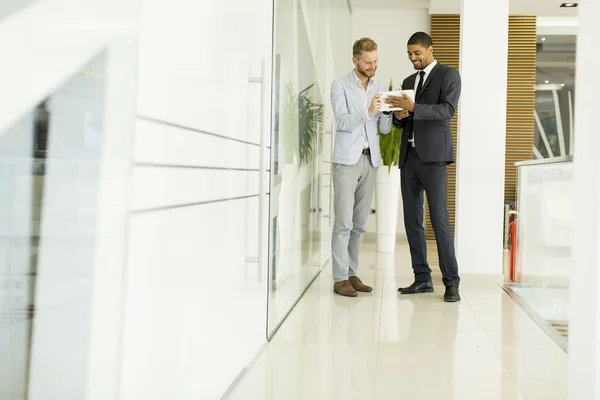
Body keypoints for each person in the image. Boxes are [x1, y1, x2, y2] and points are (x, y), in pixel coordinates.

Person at [384, 31, 462, 302]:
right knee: (412, 221)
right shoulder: (407, 81)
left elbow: (446, 111)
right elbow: (403, 121)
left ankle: (451, 282)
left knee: (438, 219)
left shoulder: (449, 75)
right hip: (410, 158)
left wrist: (414, 107)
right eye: (409, 54)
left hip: (435, 158)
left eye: (417, 53)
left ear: (430, 49)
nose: (412, 58)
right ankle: (422, 279)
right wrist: (399, 115)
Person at [330, 37, 393, 297]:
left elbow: (385, 129)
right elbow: (343, 122)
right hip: (347, 162)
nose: (373, 66)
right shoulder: (340, 86)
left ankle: (352, 273)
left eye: (376, 61)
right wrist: (368, 110)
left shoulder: (378, 86)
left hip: (370, 161)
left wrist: (387, 113)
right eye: (368, 62)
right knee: (343, 223)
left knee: (359, 224)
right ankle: (339, 278)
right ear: (355, 60)